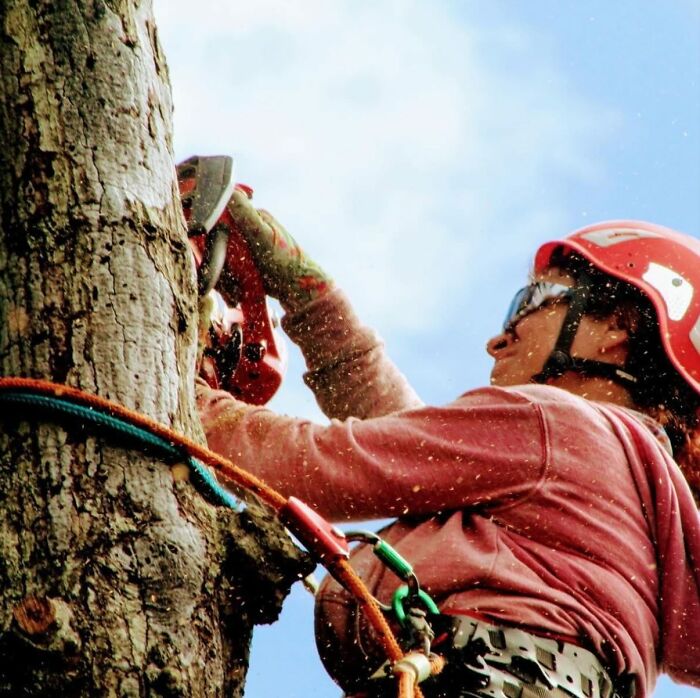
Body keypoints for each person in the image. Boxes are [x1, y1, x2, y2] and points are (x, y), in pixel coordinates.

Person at [192, 173, 700, 698]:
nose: (497, 340)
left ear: (617, 327)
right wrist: (315, 303)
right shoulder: (631, 500)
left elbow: (326, 462)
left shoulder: (560, 428)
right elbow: (415, 452)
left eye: (531, 302)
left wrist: (188, 390)